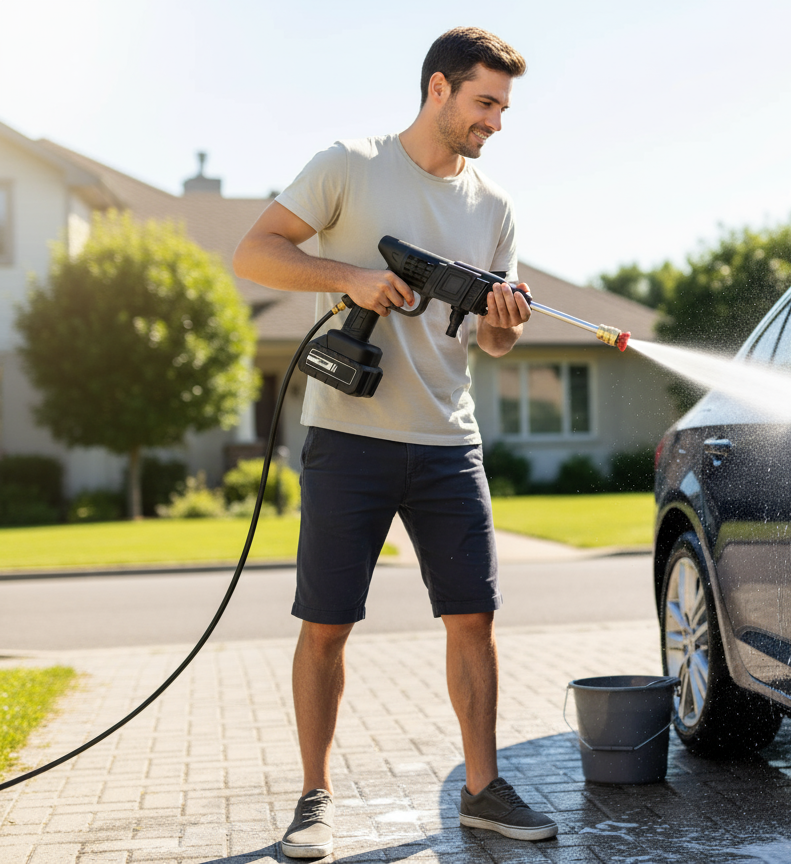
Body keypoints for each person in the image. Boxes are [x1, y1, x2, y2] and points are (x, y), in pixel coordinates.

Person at [233, 26, 558, 858]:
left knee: (473, 618)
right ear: (440, 89)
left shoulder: (495, 207)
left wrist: (502, 324)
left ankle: (483, 793)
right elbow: (256, 251)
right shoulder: (350, 163)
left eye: (504, 106)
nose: (496, 121)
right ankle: (314, 798)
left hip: (450, 441)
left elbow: (490, 348)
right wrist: (348, 277)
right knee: (327, 622)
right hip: (349, 437)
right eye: (486, 101)